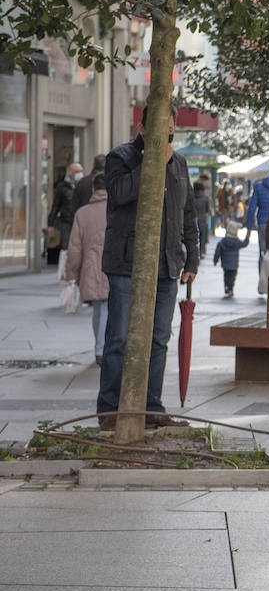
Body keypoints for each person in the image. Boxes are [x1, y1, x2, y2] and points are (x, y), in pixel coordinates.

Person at [97, 110, 198, 431]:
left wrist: (191, 260)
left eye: (170, 131)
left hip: (168, 264)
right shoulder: (120, 157)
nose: (166, 138)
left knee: (159, 338)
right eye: (159, 131)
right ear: (141, 128)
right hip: (127, 263)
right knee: (119, 338)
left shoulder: (179, 164)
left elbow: (188, 216)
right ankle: (110, 408)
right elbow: (121, 193)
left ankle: (151, 406)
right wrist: (152, 161)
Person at [63, 173, 109, 365]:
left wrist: (71, 273)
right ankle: (106, 347)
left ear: (93, 190)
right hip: (114, 265)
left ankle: (99, 348)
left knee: (99, 308)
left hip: (91, 267)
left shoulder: (82, 213)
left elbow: (74, 248)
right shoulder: (118, 210)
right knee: (111, 308)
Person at [245, 163, 269, 274]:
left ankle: (264, 281)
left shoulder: (259, 186)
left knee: (264, 253)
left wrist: (249, 228)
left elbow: (251, 209)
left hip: (263, 223)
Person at [47, 161, 82, 266]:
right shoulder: (62, 187)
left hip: (80, 222)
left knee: (79, 247)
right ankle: (63, 272)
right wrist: (50, 224)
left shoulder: (82, 185)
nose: (80, 174)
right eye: (77, 171)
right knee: (66, 247)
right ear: (70, 172)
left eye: (81, 171)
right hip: (66, 221)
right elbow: (55, 205)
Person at [212, 221, 251, 298]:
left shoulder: (223, 241)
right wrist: (247, 237)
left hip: (225, 264)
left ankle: (226, 286)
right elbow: (244, 244)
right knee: (232, 277)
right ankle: (230, 289)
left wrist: (215, 260)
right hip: (234, 264)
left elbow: (218, 251)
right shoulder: (236, 241)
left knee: (226, 276)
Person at [192, 181, 212, 256]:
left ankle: (194, 252)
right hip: (203, 219)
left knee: (193, 237)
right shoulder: (206, 198)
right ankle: (200, 252)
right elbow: (207, 210)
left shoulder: (191, 197)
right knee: (202, 237)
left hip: (192, 219)